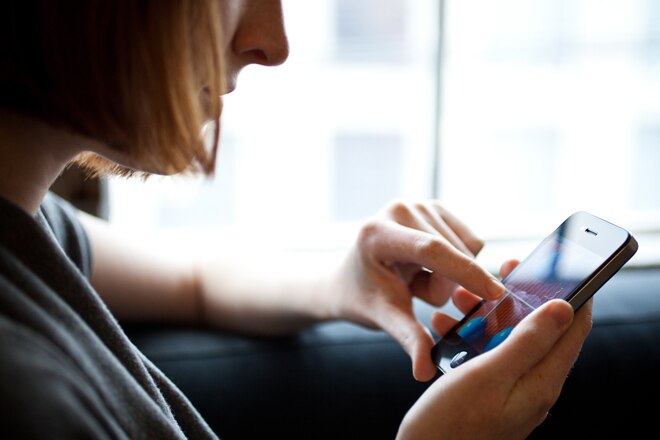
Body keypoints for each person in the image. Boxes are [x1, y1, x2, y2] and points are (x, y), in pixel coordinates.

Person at [0, 1, 592, 439]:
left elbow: (194, 282)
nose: (273, 44)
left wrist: (340, 282)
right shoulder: (27, 396)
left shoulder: (32, 229)